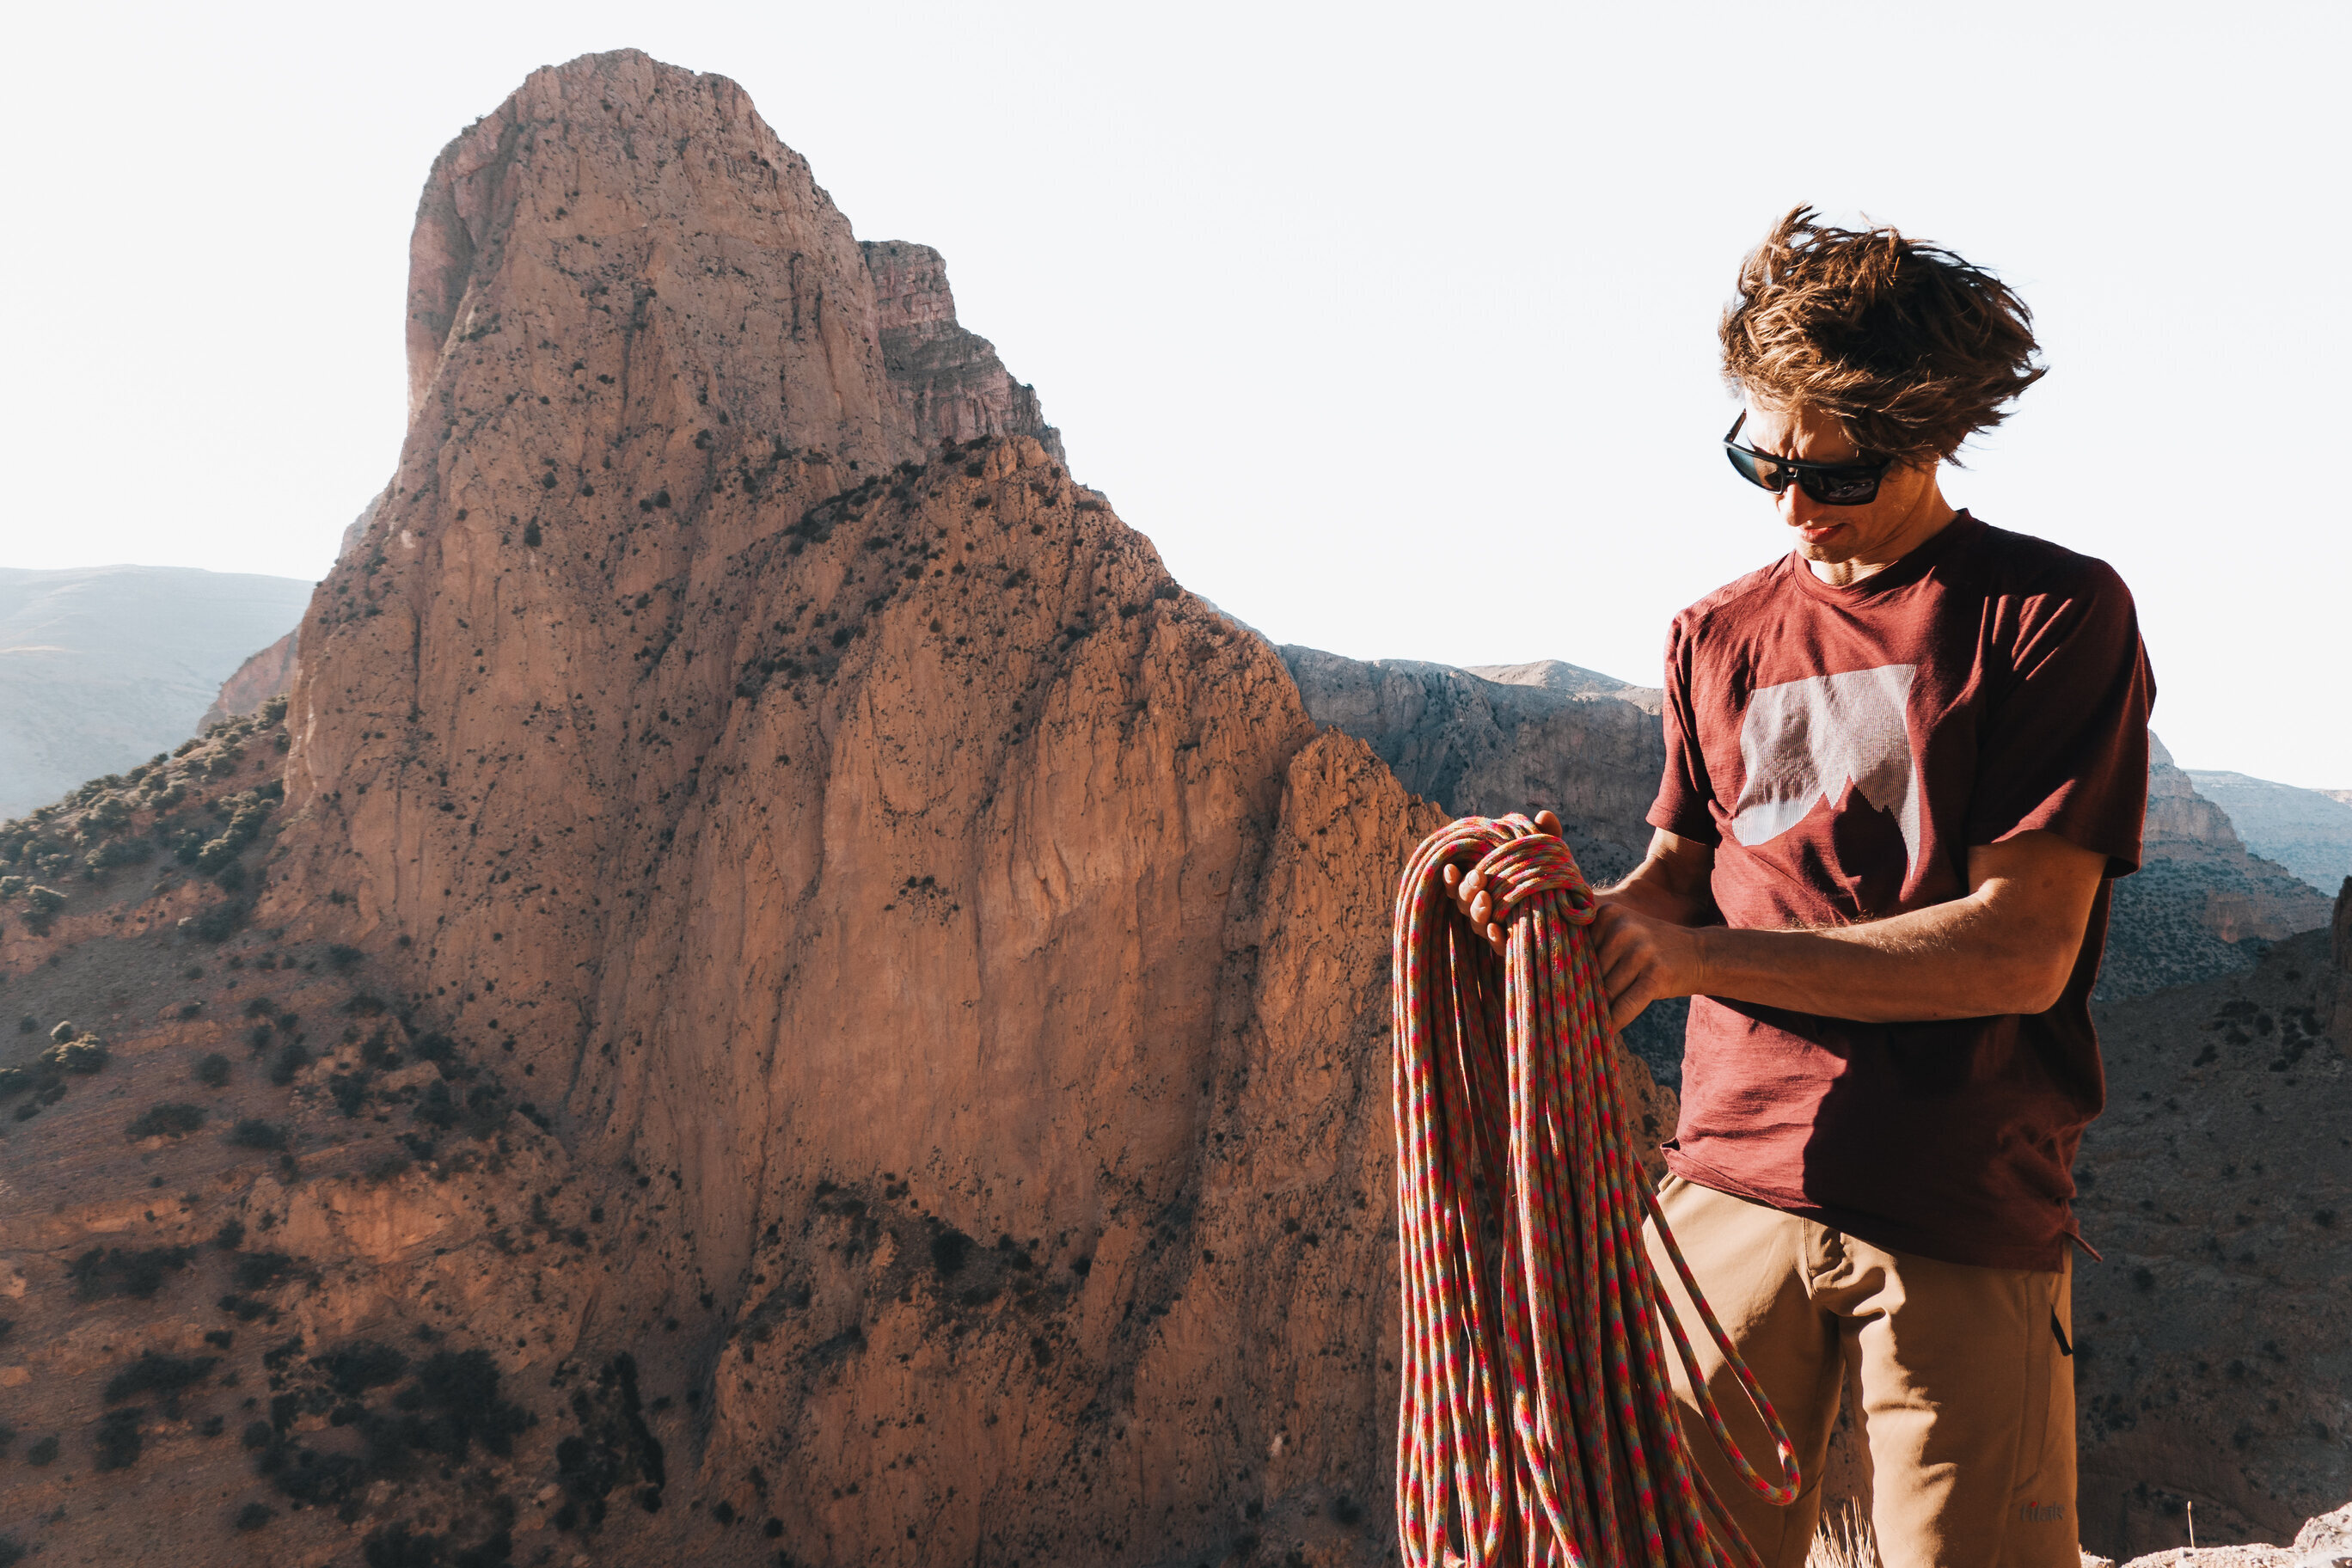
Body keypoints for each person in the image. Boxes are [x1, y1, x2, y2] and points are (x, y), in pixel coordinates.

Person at [1446, 207, 2153, 1565]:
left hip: (1955, 1192)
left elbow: (2018, 953)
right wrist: (1584, 927)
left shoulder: (2047, 615)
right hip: (1727, 1179)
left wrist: (1696, 964)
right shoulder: (1716, 632)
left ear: (1932, 434)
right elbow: (1680, 884)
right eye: (1758, 461)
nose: (1791, 506)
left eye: (1834, 476)